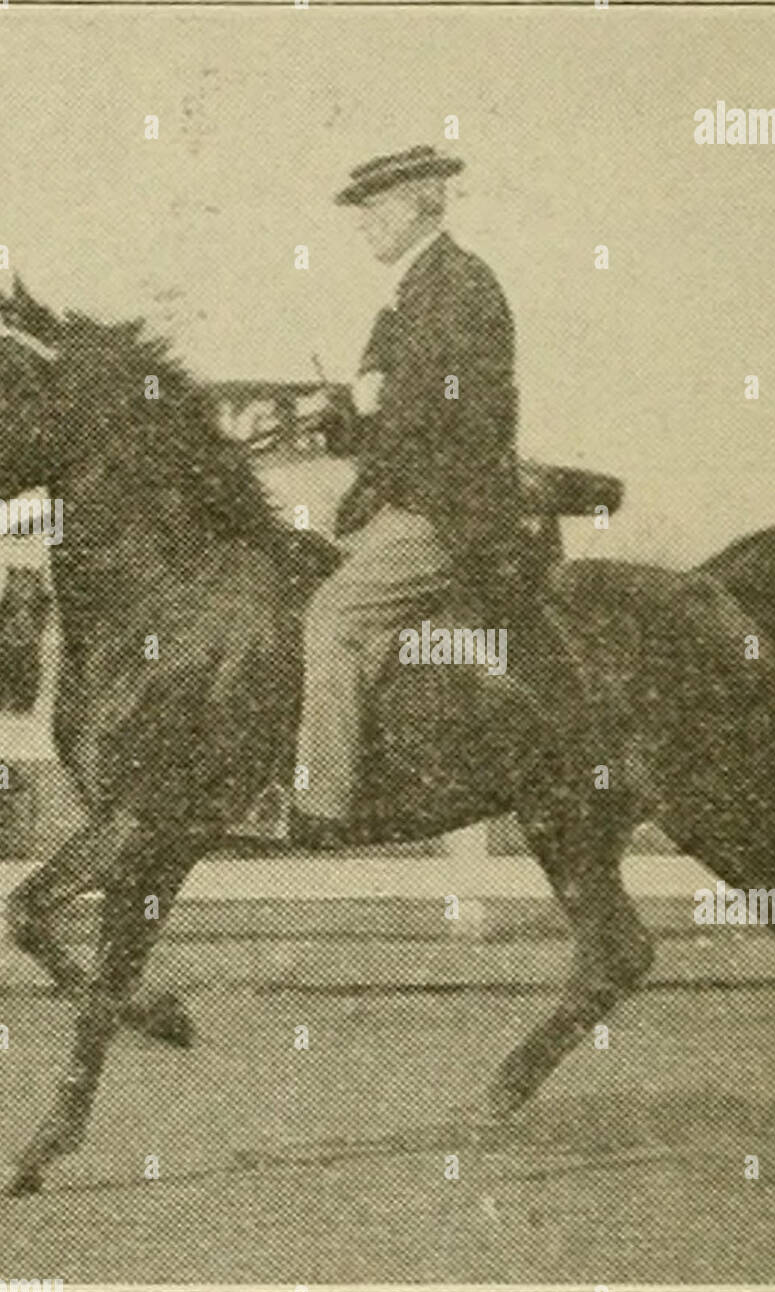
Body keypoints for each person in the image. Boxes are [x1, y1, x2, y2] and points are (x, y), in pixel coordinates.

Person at [281, 144, 525, 845]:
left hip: (447, 513)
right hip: (406, 502)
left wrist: (366, 410)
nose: (363, 226)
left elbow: (442, 412)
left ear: (422, 203)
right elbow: (391, 405)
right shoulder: (414, 291)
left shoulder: (460, 286)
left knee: (334, 617)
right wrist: (349, 411)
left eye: (374, 210)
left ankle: (321, 805)